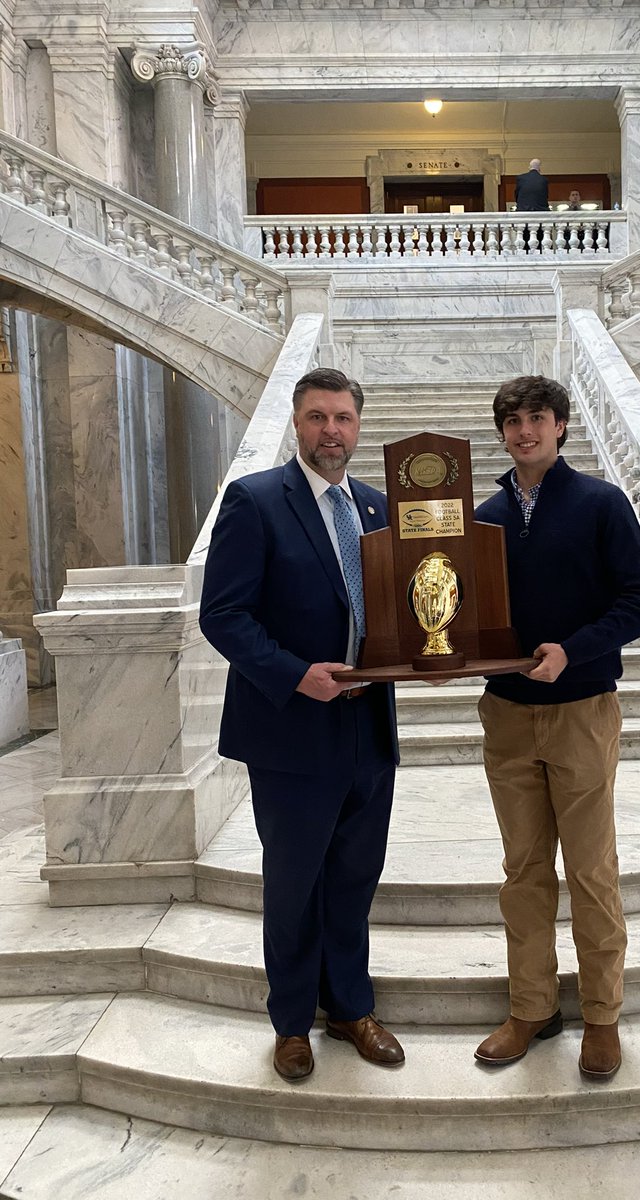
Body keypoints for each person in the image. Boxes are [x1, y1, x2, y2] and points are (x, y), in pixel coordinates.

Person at [199, 366, 403, 1083]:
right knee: (292, 884)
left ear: (357, 426)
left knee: (354, 877)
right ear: (296, 423)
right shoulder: (255, 502)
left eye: (343, 418)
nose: (331, 431)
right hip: (290, 732)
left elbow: (400, 610)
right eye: (317, 417)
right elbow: (221, 615)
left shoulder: (378, 508)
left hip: (369, 727)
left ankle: (350, 1007)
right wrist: (295, 674)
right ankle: (291, 1022)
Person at [472, 375, 640, 1080]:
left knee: (589, 871)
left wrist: (574, 649)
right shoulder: (483, 517)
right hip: (506, 714)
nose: (524, 431)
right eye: (512, 421)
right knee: (523, 871)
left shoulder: (600, 505)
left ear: (560, 427)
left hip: (582, 711)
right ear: (502, 433)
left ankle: (603, 1016)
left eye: (537, 419)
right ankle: (531, 1007)